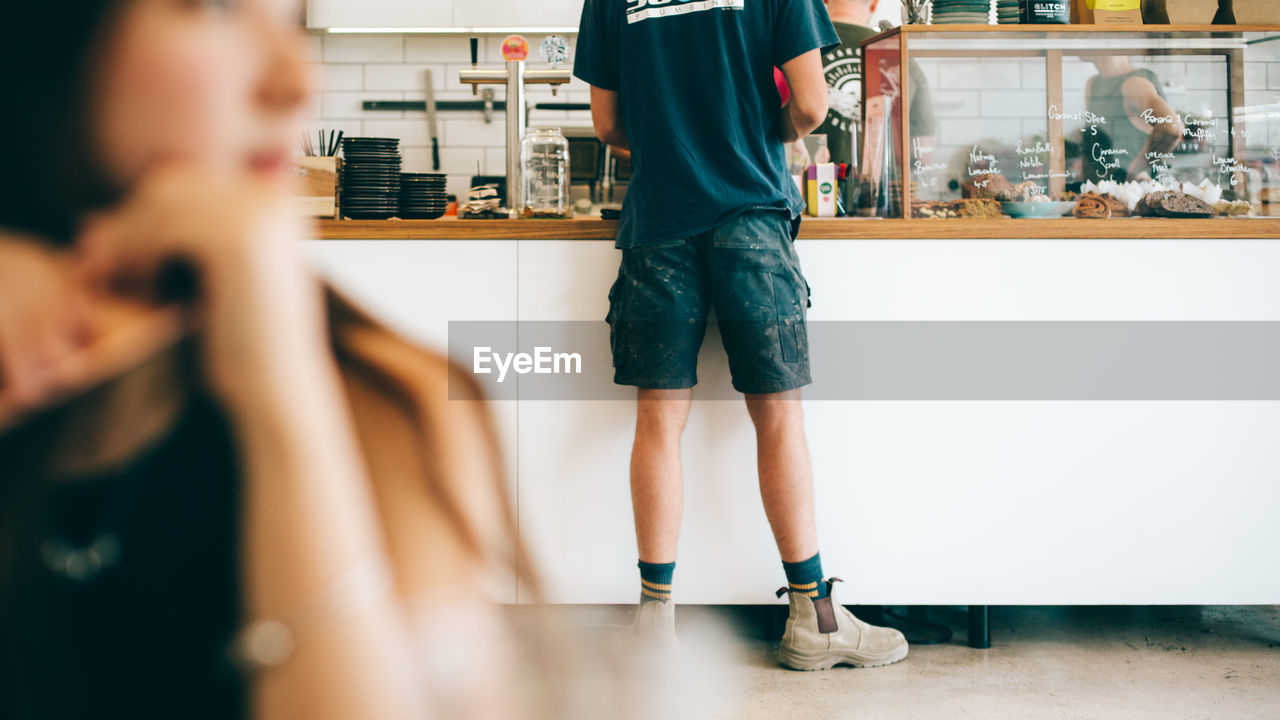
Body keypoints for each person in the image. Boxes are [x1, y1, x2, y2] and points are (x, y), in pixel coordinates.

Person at [0, 2, 555, 718]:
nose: (296, 79)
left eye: (293, 18)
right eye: (218, 8)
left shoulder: (390, 414)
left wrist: (284, 393)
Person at [575, 0, 910, 669]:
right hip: (750, 216)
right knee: (778, 416)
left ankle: (652, 624)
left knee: (658, 421)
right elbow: (813, 106)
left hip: (659, 221)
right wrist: (755, 131)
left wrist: (680, 140)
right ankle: (813, 620)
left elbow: (608, 123)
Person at [817, 0, 937, 170]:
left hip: (814, 191)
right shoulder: (902, 56)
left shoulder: (803, 50)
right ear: (874, 4)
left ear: (824, 1)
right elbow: (922, 155)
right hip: (886, 193)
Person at [1082, 56, 1184, 183]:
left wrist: (1136, 170)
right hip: (1096, 195)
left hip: (1129, 195)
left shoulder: (1135, 83)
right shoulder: (1093, 83)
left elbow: (1171, 128)